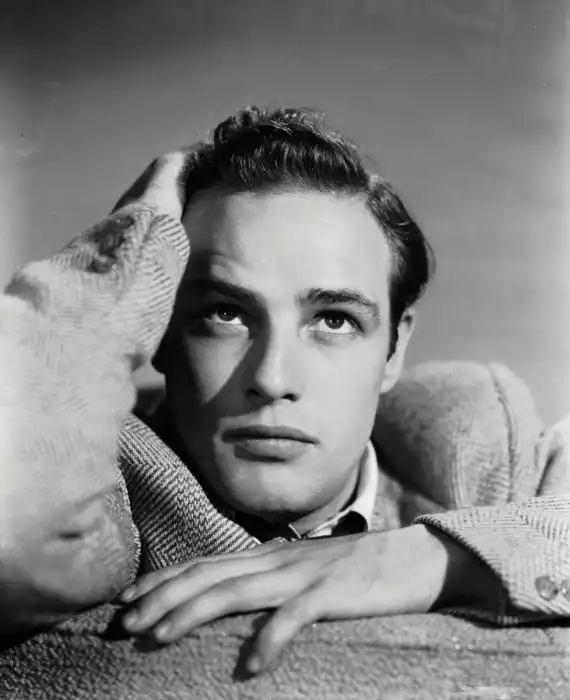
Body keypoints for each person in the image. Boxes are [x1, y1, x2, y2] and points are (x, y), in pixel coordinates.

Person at [0, 107, 568, 675]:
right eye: (225, 313)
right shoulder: (102, 491)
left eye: (334, 320)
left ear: (393, 351)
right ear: (161, 330)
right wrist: (125, 256)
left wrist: (438, 556)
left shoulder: (477, 455)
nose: (273, 379)